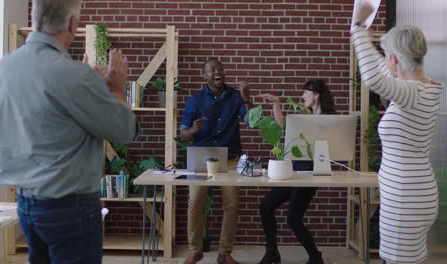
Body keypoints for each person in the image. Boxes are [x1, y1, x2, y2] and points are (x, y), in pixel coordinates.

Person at [0, 0, 138, 263]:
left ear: (35, 18)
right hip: (69, 208)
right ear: (72, 23)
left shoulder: (4, 68)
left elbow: (46, 121)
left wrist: (85, 84)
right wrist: (115, 91)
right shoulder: (73, 75)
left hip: (26, 204)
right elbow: (125, 130)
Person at [351, 3, 442, 264]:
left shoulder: (413, 93)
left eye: (386, 54)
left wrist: (358, 29)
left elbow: (374, 79)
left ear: (394, 58)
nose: (384, 59)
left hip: (406, 199)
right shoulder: (420, 88)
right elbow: (381, 71)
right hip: (408, 194)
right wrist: (366, 37)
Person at [180, 58, 251, 264]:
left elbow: (250, 121)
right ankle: (195, 250)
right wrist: (194, 129)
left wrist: (246, 98)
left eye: (220, 68)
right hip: (202, 155)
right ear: (205, 76)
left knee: (232, 204)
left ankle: (224, 253)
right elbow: (184, 134)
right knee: (195, 202)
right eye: (212, 70)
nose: (218, 71)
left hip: (229, 156)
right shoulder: (195, 100)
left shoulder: (236, 97)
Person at [255, 79, 335, 264]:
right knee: (267, 205)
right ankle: (272, 253)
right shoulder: (305, 115)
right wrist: (276, 103)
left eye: (305, 93)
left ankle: (316, 258)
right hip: (294, 170)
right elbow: (283, 126)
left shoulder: (329, 118)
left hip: (311, 174)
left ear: (316, 95)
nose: (302, 96)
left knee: (293, 219)